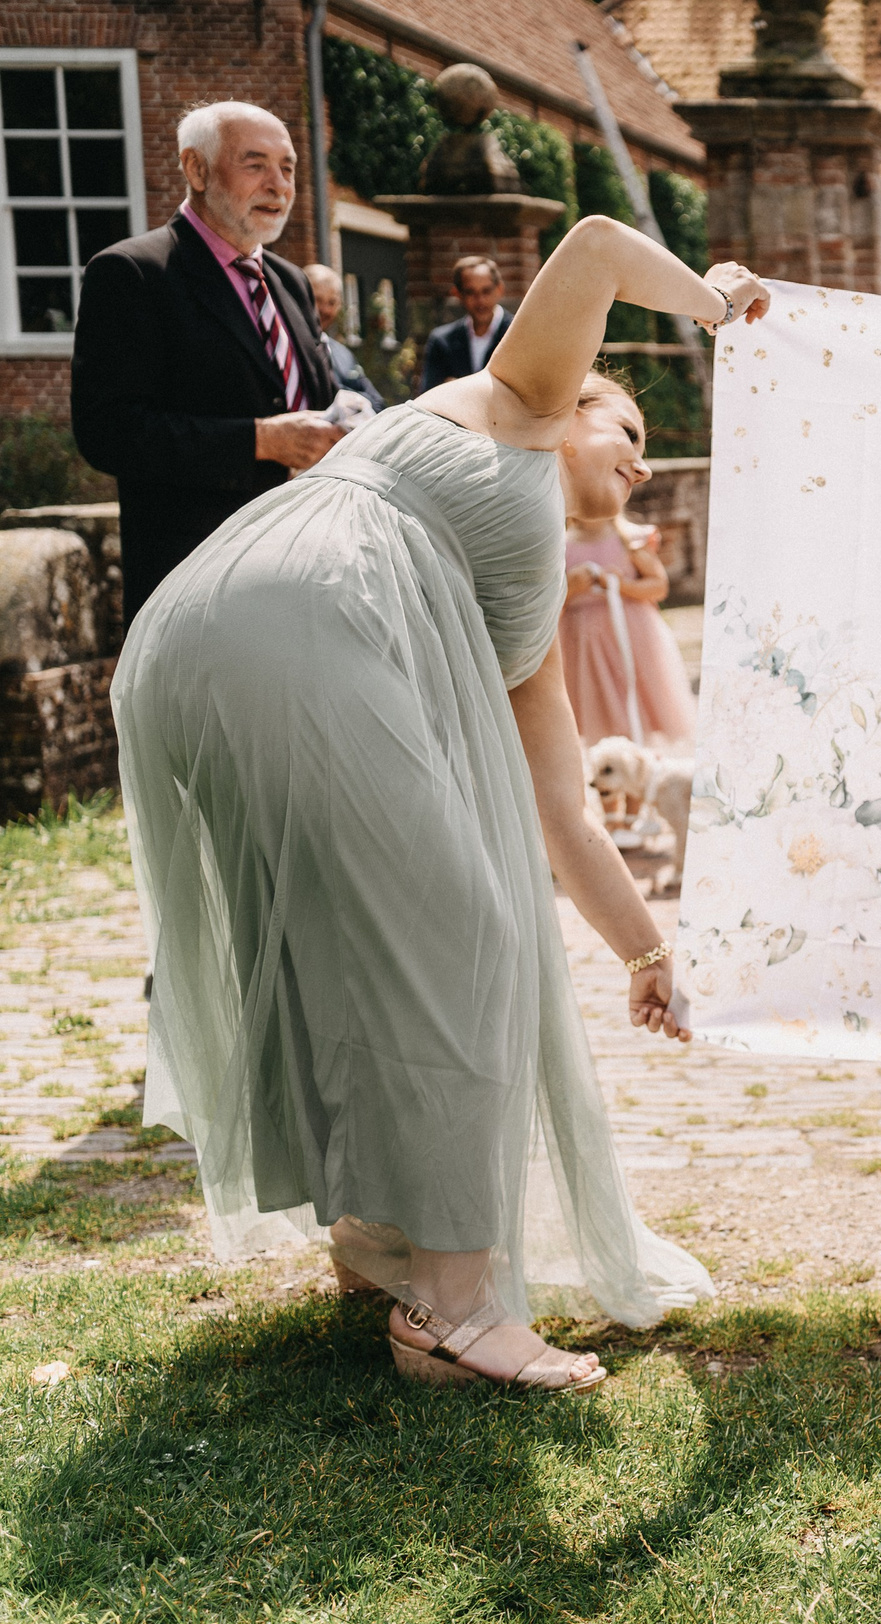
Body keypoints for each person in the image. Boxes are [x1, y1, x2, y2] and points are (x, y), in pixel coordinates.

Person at [114, 212, 769, 1391]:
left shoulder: (525, 617)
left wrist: (644, 951)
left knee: (351, 932)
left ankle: (379, 1234)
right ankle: (456, 1308)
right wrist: (715, 303)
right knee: (469, 931)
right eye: (626, 428)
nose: (640, 458)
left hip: (229, 634)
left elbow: (565, 812)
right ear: (570, 407)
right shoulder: (518, 393)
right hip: (292, 611)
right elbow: (603, 244)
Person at [71, 102, 341, 621]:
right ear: (196, 169)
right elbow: (106, 431)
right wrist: (259, 440)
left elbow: (310, 400)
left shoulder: (291, 282)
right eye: (255, 164)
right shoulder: (133, 274)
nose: (278, 185)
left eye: (287, 168)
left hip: (311, 572)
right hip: (199, 584)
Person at [559, 502, 694, 748]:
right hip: (583, 642)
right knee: (598, 702)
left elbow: (658, 586)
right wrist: (570, 587)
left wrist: (622, 586)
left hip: (631, 635)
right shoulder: (560, 546)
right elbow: (550, 604)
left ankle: (640, 764)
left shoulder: (630, 539)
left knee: (636, 697)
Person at [419, 255, 512, 391]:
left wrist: (456, 387)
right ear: (458, 294)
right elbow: (428, 395)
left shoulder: (518, 334)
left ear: (499, 289)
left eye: (486, 291)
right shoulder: (442, 341)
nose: (480, 300)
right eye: (470, 292)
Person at [303, 263, 384, 412]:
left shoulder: (343, 354)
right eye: (317, 300)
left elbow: (378, 403)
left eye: (332, 302)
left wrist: (345, 397)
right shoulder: (286, 351)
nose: (324, 309)